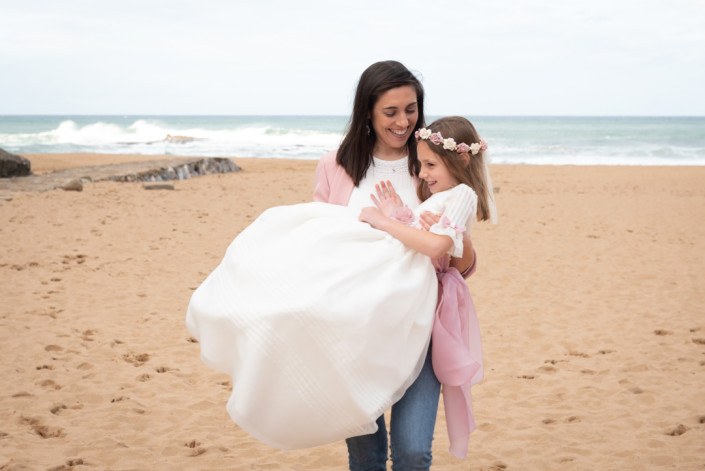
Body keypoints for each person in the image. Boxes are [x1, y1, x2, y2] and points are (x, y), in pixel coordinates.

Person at [185, 62, 494, 468]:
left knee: (413, 449)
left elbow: (461, 265)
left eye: (411, 109)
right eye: (390, 112)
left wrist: (458, 237)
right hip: (350, 327)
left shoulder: (431, 162)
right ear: (367, 111)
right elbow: (317, 242)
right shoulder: (337, 164)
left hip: (420, 324)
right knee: (364, 450)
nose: (403, 122)